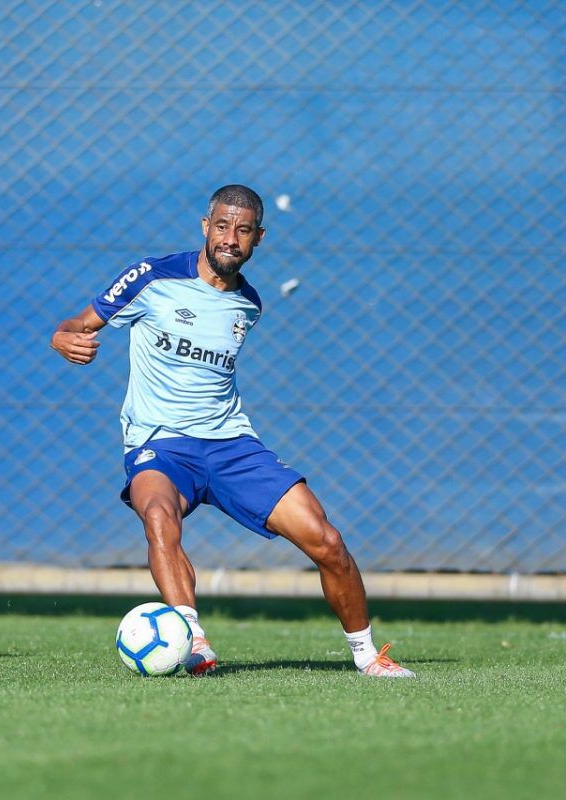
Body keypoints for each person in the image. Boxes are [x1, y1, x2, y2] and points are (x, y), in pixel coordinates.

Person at [50, 185, 413, 678]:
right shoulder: (151, 277)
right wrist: (63, 337)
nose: (230, 238)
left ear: (258, 238)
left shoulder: (249, 305)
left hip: (230, 445)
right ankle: (193, 640)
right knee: (157, 514)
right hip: (160, 443)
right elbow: (79, 322)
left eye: (242, 231)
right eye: (222, 226)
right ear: (206, 227)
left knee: (326, 540)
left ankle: (369, 657)